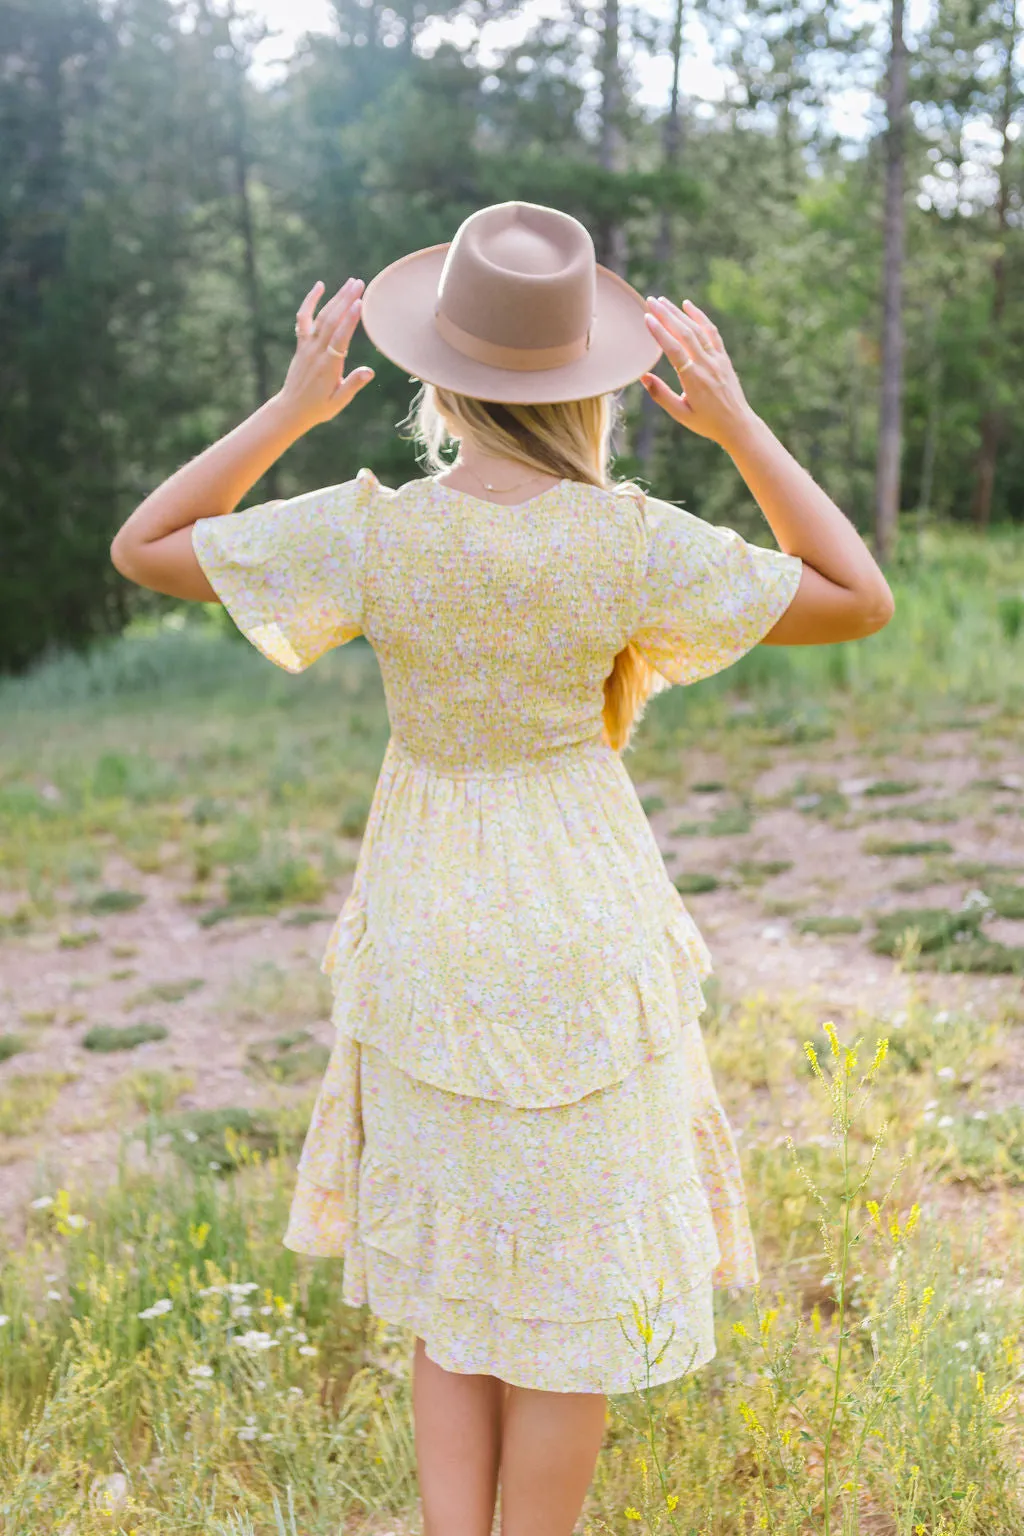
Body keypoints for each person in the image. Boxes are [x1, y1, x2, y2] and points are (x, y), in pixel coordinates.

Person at [110, 200, 894, 1536]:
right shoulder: (629, 536)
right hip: (583, 920)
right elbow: (855, 593)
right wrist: (741, 425)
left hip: (428, 919)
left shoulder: (377, 531)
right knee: (567, 1304)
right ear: (585, 384)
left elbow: (146, 548)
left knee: (455, 1277)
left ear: (439, 373)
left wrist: (292, 412)